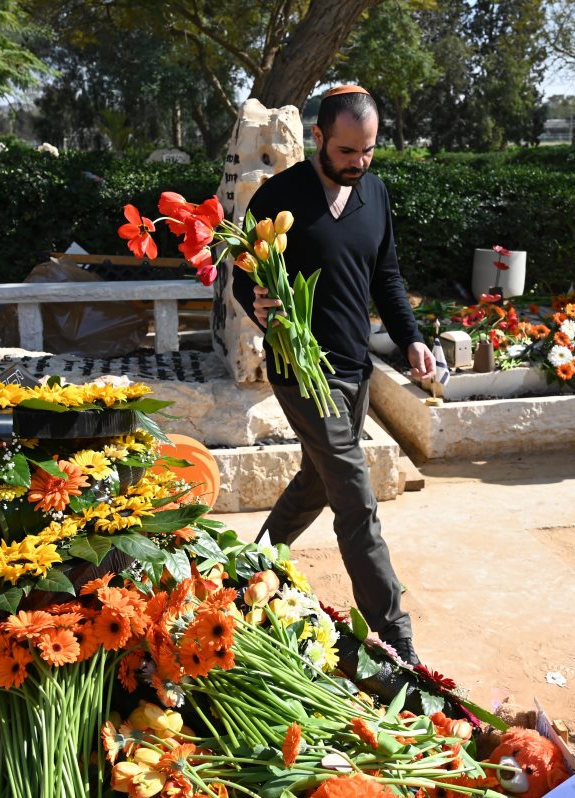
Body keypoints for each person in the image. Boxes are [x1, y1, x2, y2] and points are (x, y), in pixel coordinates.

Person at [232, 85, 435, 665]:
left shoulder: (375, 193)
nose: (358, 162)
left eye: (368, 150)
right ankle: (394, 636)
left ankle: (251, 568)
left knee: (319, 481)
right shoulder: (279, 196)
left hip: (353, 366)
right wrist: (257, 300)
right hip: (301, 368)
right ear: (319, 137)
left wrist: (411, 338)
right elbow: (244, 273)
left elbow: (386, 276)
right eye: (347, 151)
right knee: (355, 496)